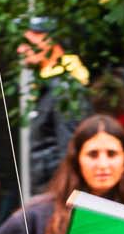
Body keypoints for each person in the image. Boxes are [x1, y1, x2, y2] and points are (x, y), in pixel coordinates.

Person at [19, 20, 92, 189]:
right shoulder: (52, 85)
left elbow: (70, 152)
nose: (21, 50)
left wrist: (57, 201)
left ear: (49, 41)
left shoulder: (65, 89)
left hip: (56, 197)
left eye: (28, 43)